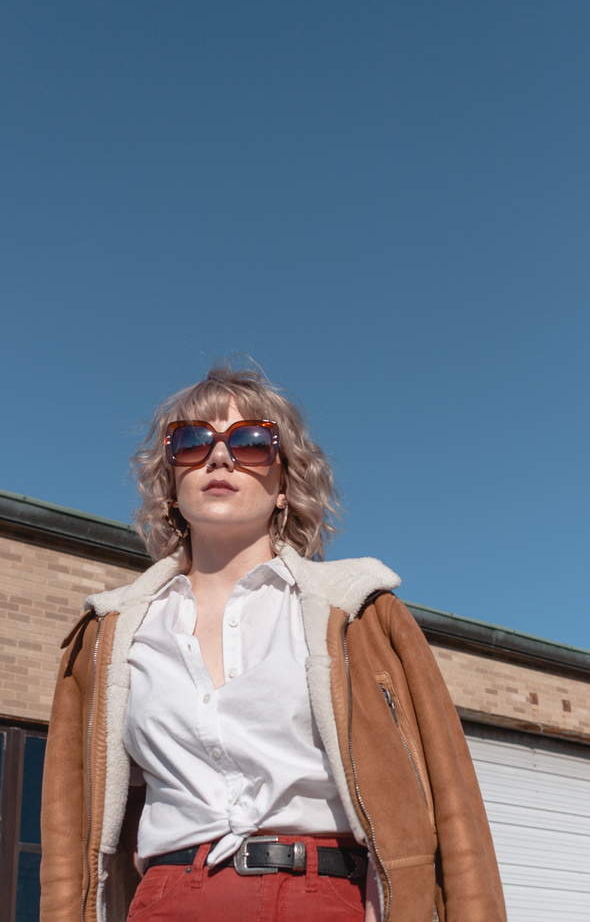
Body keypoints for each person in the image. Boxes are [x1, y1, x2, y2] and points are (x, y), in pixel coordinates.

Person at [40, 363, 506, 922]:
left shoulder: (361, 613)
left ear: (285, 482)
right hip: (169, 900)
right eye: (191, 442)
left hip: (326, 898)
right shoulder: (106, 635)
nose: (218, 457)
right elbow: (68, 837)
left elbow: (453, 800)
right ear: (170, 482)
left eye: (251, 442)